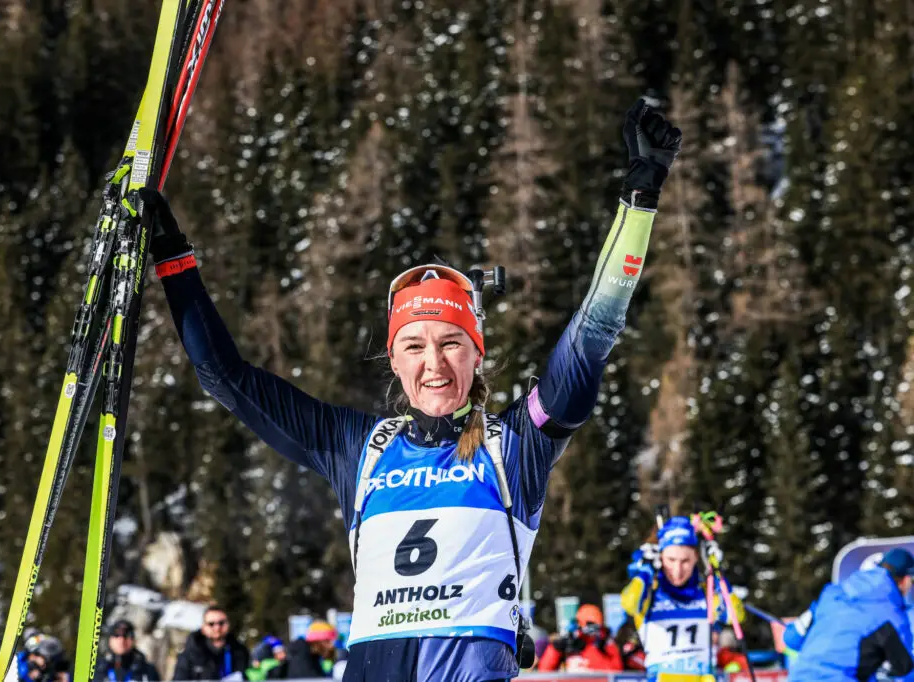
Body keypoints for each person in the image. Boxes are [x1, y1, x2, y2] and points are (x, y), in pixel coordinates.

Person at [142, 97, 682, 682]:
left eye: (451, 343)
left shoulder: (516, 444)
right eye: (415, 346)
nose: (434, 364)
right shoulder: (359, 447)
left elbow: (594, 330)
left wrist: (639, 201)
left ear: (477, 353)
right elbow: (224, 377)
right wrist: (173, 261)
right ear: (394, 360)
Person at [621, 516, 745, 682]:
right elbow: (629, 604)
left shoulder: (706, 592)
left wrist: (716, 572)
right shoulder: (651, 593)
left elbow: (735, 616)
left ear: (696, 558)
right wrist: (645, 571)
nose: (677, 570)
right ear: (660, 557)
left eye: (685, 561)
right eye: (671, 560)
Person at [783, 548, 914, 682]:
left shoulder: (832, 594)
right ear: (905, 580)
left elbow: (792, 638)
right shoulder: (892, 616)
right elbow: (904, 668)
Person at [537, 604, 622, 672]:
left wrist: (588, 649)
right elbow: (544, 671)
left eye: (592, 625)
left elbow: (615, 672)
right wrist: (555, 649)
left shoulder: (605, 643)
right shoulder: (569, 641)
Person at [173, 606, 250, 681]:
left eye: (221, 623)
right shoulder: (190, 654)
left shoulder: (240, 652)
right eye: (211, 624)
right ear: (203, 627)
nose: (217, 628)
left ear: (228, 624)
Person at [93, 620, 160, 682]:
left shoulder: (147, 670)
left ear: (133, 640)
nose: (121, 640)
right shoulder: (95, 668)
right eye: (116, 635)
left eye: (126, 635)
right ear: (110, 640)